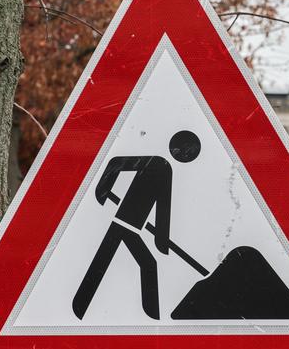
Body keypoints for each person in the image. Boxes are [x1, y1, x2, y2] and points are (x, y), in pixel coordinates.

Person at [72, 130, 201, 320]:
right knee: (138, 263)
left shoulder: (164, 168)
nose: (187, 156)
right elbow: (116, 163)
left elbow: (162, 210)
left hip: (131, 228)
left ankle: (80, 306)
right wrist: (103, 191)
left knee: (117, 261)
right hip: (122, 223)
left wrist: (161, 240)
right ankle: (80, 307)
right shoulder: (158, 163)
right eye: (188, 152)